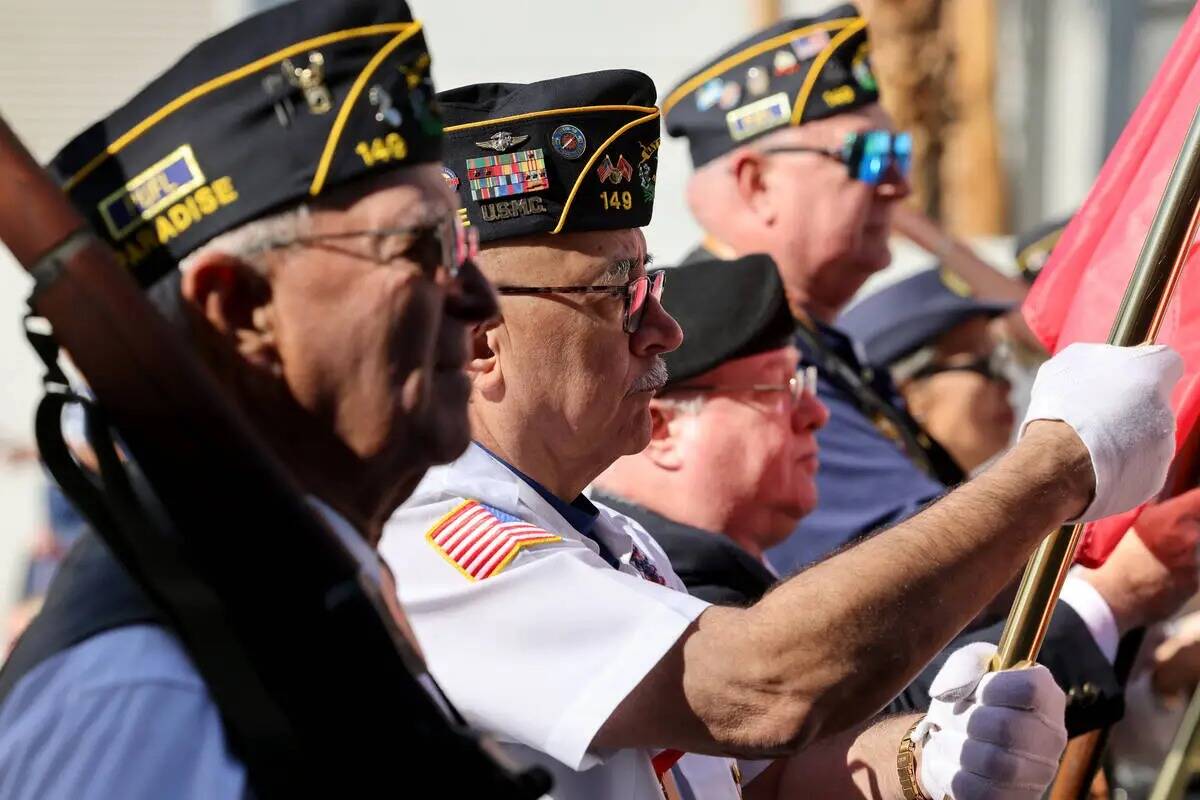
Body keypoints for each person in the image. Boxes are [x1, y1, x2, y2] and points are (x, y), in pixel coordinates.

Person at [380, 69, 1183, 800]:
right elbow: (759, 689)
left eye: (648, 282)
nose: (663, 329)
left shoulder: (612, 541)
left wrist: (923, 757)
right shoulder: (438, 538)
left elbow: (758, 780)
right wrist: (1054, 466)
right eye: (616, 293)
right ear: (481, 338)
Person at [0, 1, 497, 796]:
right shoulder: (144, 693)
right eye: (422, 248)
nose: (482, 304)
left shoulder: (300, 595)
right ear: (239, 309)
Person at [595, 254, 1198, 737]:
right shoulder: (648, 582)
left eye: (807, 383)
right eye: (781, 389)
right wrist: (1115, 593)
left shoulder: (700, 569)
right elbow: (848, 730)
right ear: (666, 428)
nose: (816, 416)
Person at [661, 5, 969, 572]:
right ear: (758, 186)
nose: (899, 186)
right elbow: (919, 561)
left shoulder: (818, 342)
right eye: (868, 158)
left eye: (899, 154)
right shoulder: (739, 356)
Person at [837, 267, 1014, 472]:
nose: (1006, 384)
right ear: (907, 393)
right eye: (982, 366)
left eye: (1001, 363)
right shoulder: (890, 499)